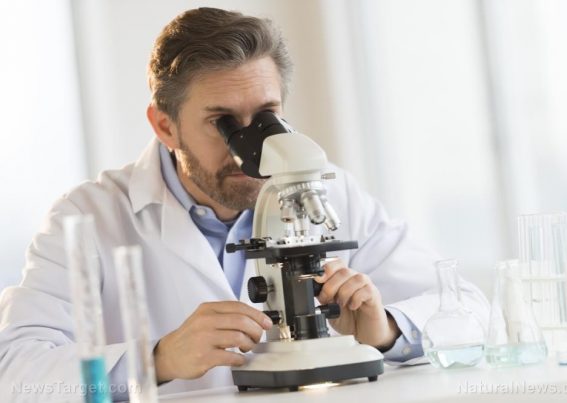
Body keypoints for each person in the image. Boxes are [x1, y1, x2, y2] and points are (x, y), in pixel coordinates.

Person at [0, 7, 490, 401]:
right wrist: (157, 359)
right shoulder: (88, 217)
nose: (251, 149)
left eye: (266, 116)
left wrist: (385, 330)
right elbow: (17, 374)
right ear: (165, 126)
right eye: (225, 123)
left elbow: (468, 308)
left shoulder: (326, 189)